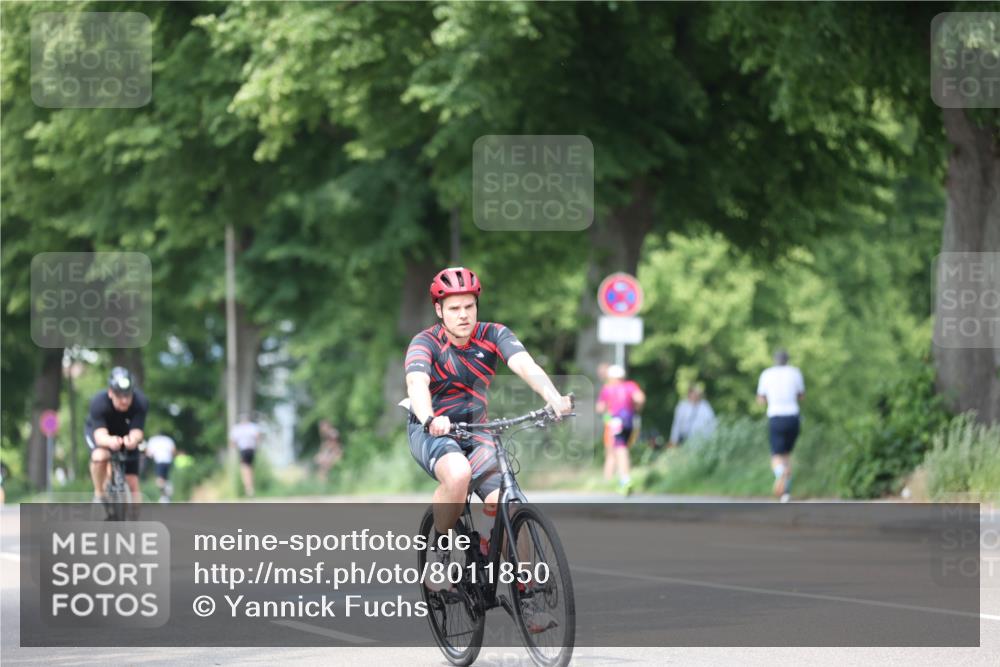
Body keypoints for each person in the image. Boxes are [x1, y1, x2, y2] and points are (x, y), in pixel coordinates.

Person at [405, 266, 572, 632]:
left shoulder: (493, 334)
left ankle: (526, 599)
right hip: (433, 429)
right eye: (454, 308)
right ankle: (441, 551)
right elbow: (417, 383)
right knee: (459, 473)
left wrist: (554, 397)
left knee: (509, 503)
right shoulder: (425, 343)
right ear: (439, 311)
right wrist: (430, 416)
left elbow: (524, 364)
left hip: (477, 428)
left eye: (469, 306)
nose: (463, 315)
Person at [86, 367, 148, 505]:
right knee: (100, 456)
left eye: (128, 395)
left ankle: (134, 522)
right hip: (100, 432)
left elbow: (137, 431)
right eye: (119, 396)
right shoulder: (98, 403)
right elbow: (100, 436)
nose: (124, 400)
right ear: (110, 393)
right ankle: (99, 495)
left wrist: (133, 440)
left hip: (124, 433)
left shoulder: (141, 402)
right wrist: (110, 441)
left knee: (132, 483)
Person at [756, 349, 805, 503]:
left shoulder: (766, 374)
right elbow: (801, 395)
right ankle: (786, 493)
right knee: (786, 455)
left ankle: (780, 473)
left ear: (775, 360)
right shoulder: (795, 373)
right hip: (793, 417)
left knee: (776, 456)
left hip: (776, 416)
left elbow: (761, 399)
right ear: (787, 359)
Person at [595, 364, 646, 494]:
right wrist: (636, 409)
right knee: (623, 448)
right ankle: (621, 478)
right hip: (630, 421)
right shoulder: (630, 386)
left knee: (619, 448)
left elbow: (599, 408)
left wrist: (607, 411)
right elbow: (640, 398)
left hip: (616, 422)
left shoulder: (608, 389)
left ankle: (625, 480)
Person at [668, 382, 717, 446]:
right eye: (693, 393)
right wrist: (673, 439)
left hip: (702, 440)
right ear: (689, 394)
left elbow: (712, 422)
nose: (694, 395)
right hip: (684, 439)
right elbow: (677, 424)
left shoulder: (705, 406)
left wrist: (712, 438)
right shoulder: (682, 406)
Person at [229, 414, 262, 497]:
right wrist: (257, 446)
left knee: (244, 469)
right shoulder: (252, 427)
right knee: (249, 468)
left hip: (243, 450)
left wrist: (234, 448)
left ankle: (248, 488)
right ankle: (250, 487)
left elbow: (232, 442)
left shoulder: (237, 428)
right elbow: (258, 437)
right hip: (252, 450)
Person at [145, 433, 177, 503]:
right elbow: (173, 451)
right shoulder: (168, 439)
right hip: (168, 461)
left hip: (159, 461)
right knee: (165, 478)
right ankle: (166, 492)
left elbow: (149, 453)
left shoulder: (153, 440)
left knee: (159, 481)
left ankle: (165, 495)